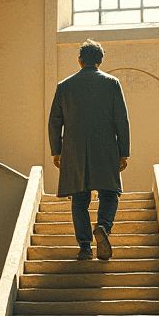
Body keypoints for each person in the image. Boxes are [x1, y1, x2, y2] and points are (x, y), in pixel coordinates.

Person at [47, 39, 130, 260]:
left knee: (80, 199)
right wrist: (124, 152)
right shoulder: (112, 83)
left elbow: (55, 121)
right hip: (105, 148)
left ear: (80, 60)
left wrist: (57, 150)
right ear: (100, 61)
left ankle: (84, 247)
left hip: (74, 150)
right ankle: (102, 226)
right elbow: (121, 120)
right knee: (110, 194)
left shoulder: (64, 86)